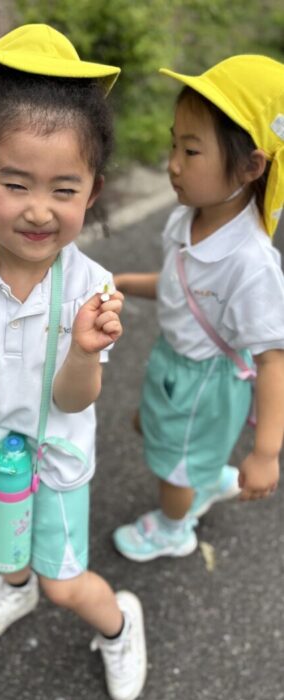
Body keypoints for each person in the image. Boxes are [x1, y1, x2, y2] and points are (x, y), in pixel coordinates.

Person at [0, 24, 147, 700]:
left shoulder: (91, 287)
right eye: (15, 183)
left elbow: (73, 400)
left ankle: (120, 622)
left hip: (56, 460)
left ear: (92, 191)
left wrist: (84, 350)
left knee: (64, 583)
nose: (39, 210)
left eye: (64, 189)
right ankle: (13, 587)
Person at [112, 55, 284, 562]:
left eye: (191, 150)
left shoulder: (251, 263)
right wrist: (125, 283)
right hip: (173, 365)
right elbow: (177, 285)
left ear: (251, 166)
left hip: (203, 382)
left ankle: (173, 529)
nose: (172, 163)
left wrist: (266, 453)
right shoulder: (189, 217)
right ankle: (206, 476)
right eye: (173, 144)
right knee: (170, 440)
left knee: (173, 466)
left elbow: (273, 359)